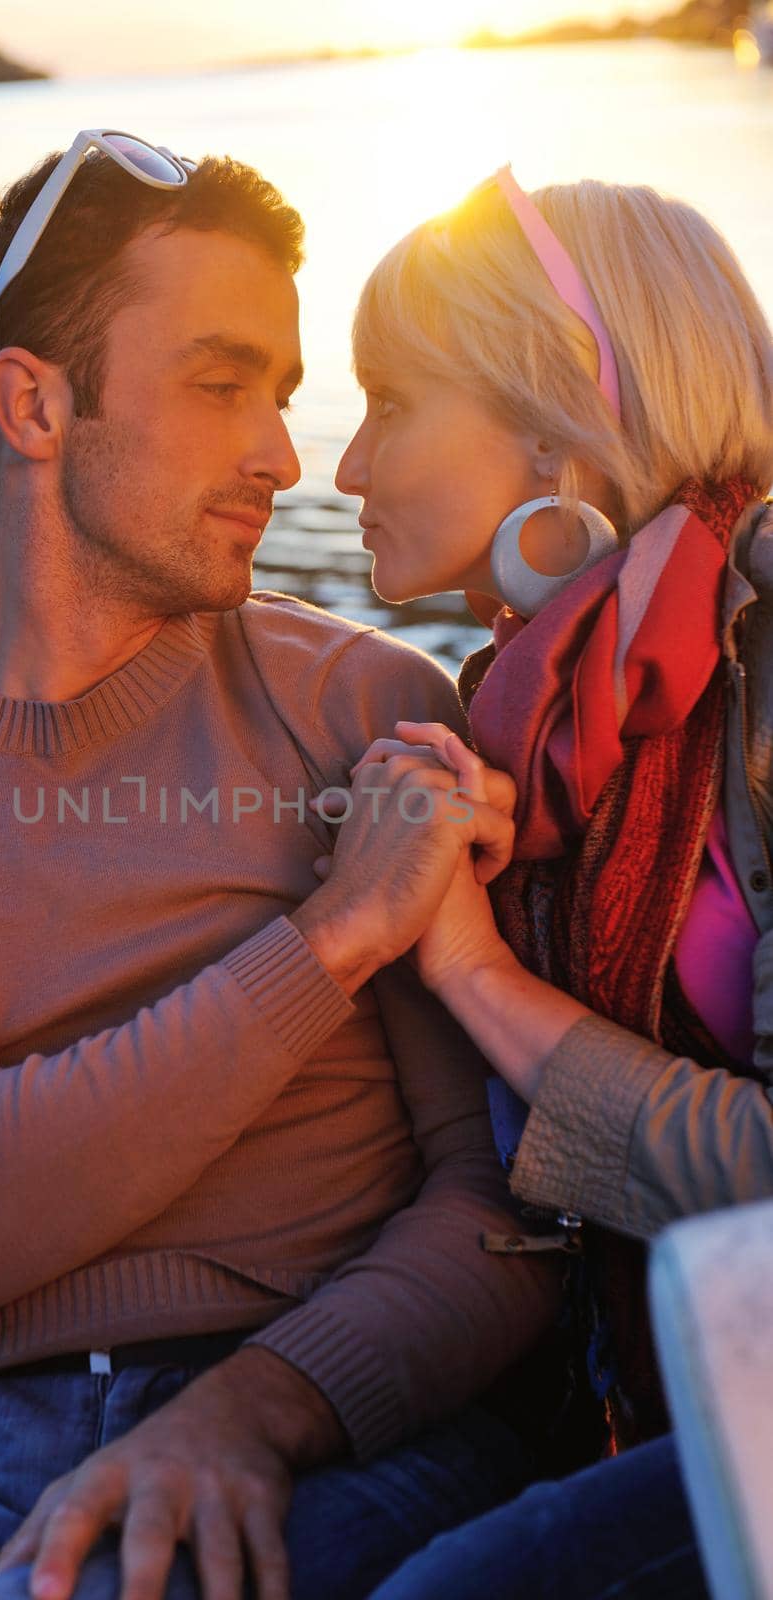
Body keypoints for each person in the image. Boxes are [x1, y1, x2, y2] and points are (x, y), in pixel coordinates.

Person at [0, 136, 561, 1600]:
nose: (284, 457)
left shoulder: (365, 706)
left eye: (283, 398)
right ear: (34, 401)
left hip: (325, 1416)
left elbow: (503, 1213)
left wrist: (259, 1409)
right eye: (223, 384)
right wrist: (336, 934)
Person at [319, 165, 773, 1598]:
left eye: (390, 401)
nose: (342, 468)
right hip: (641, 1368)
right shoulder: (543, 713)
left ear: (550, 426)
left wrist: (470, 969)